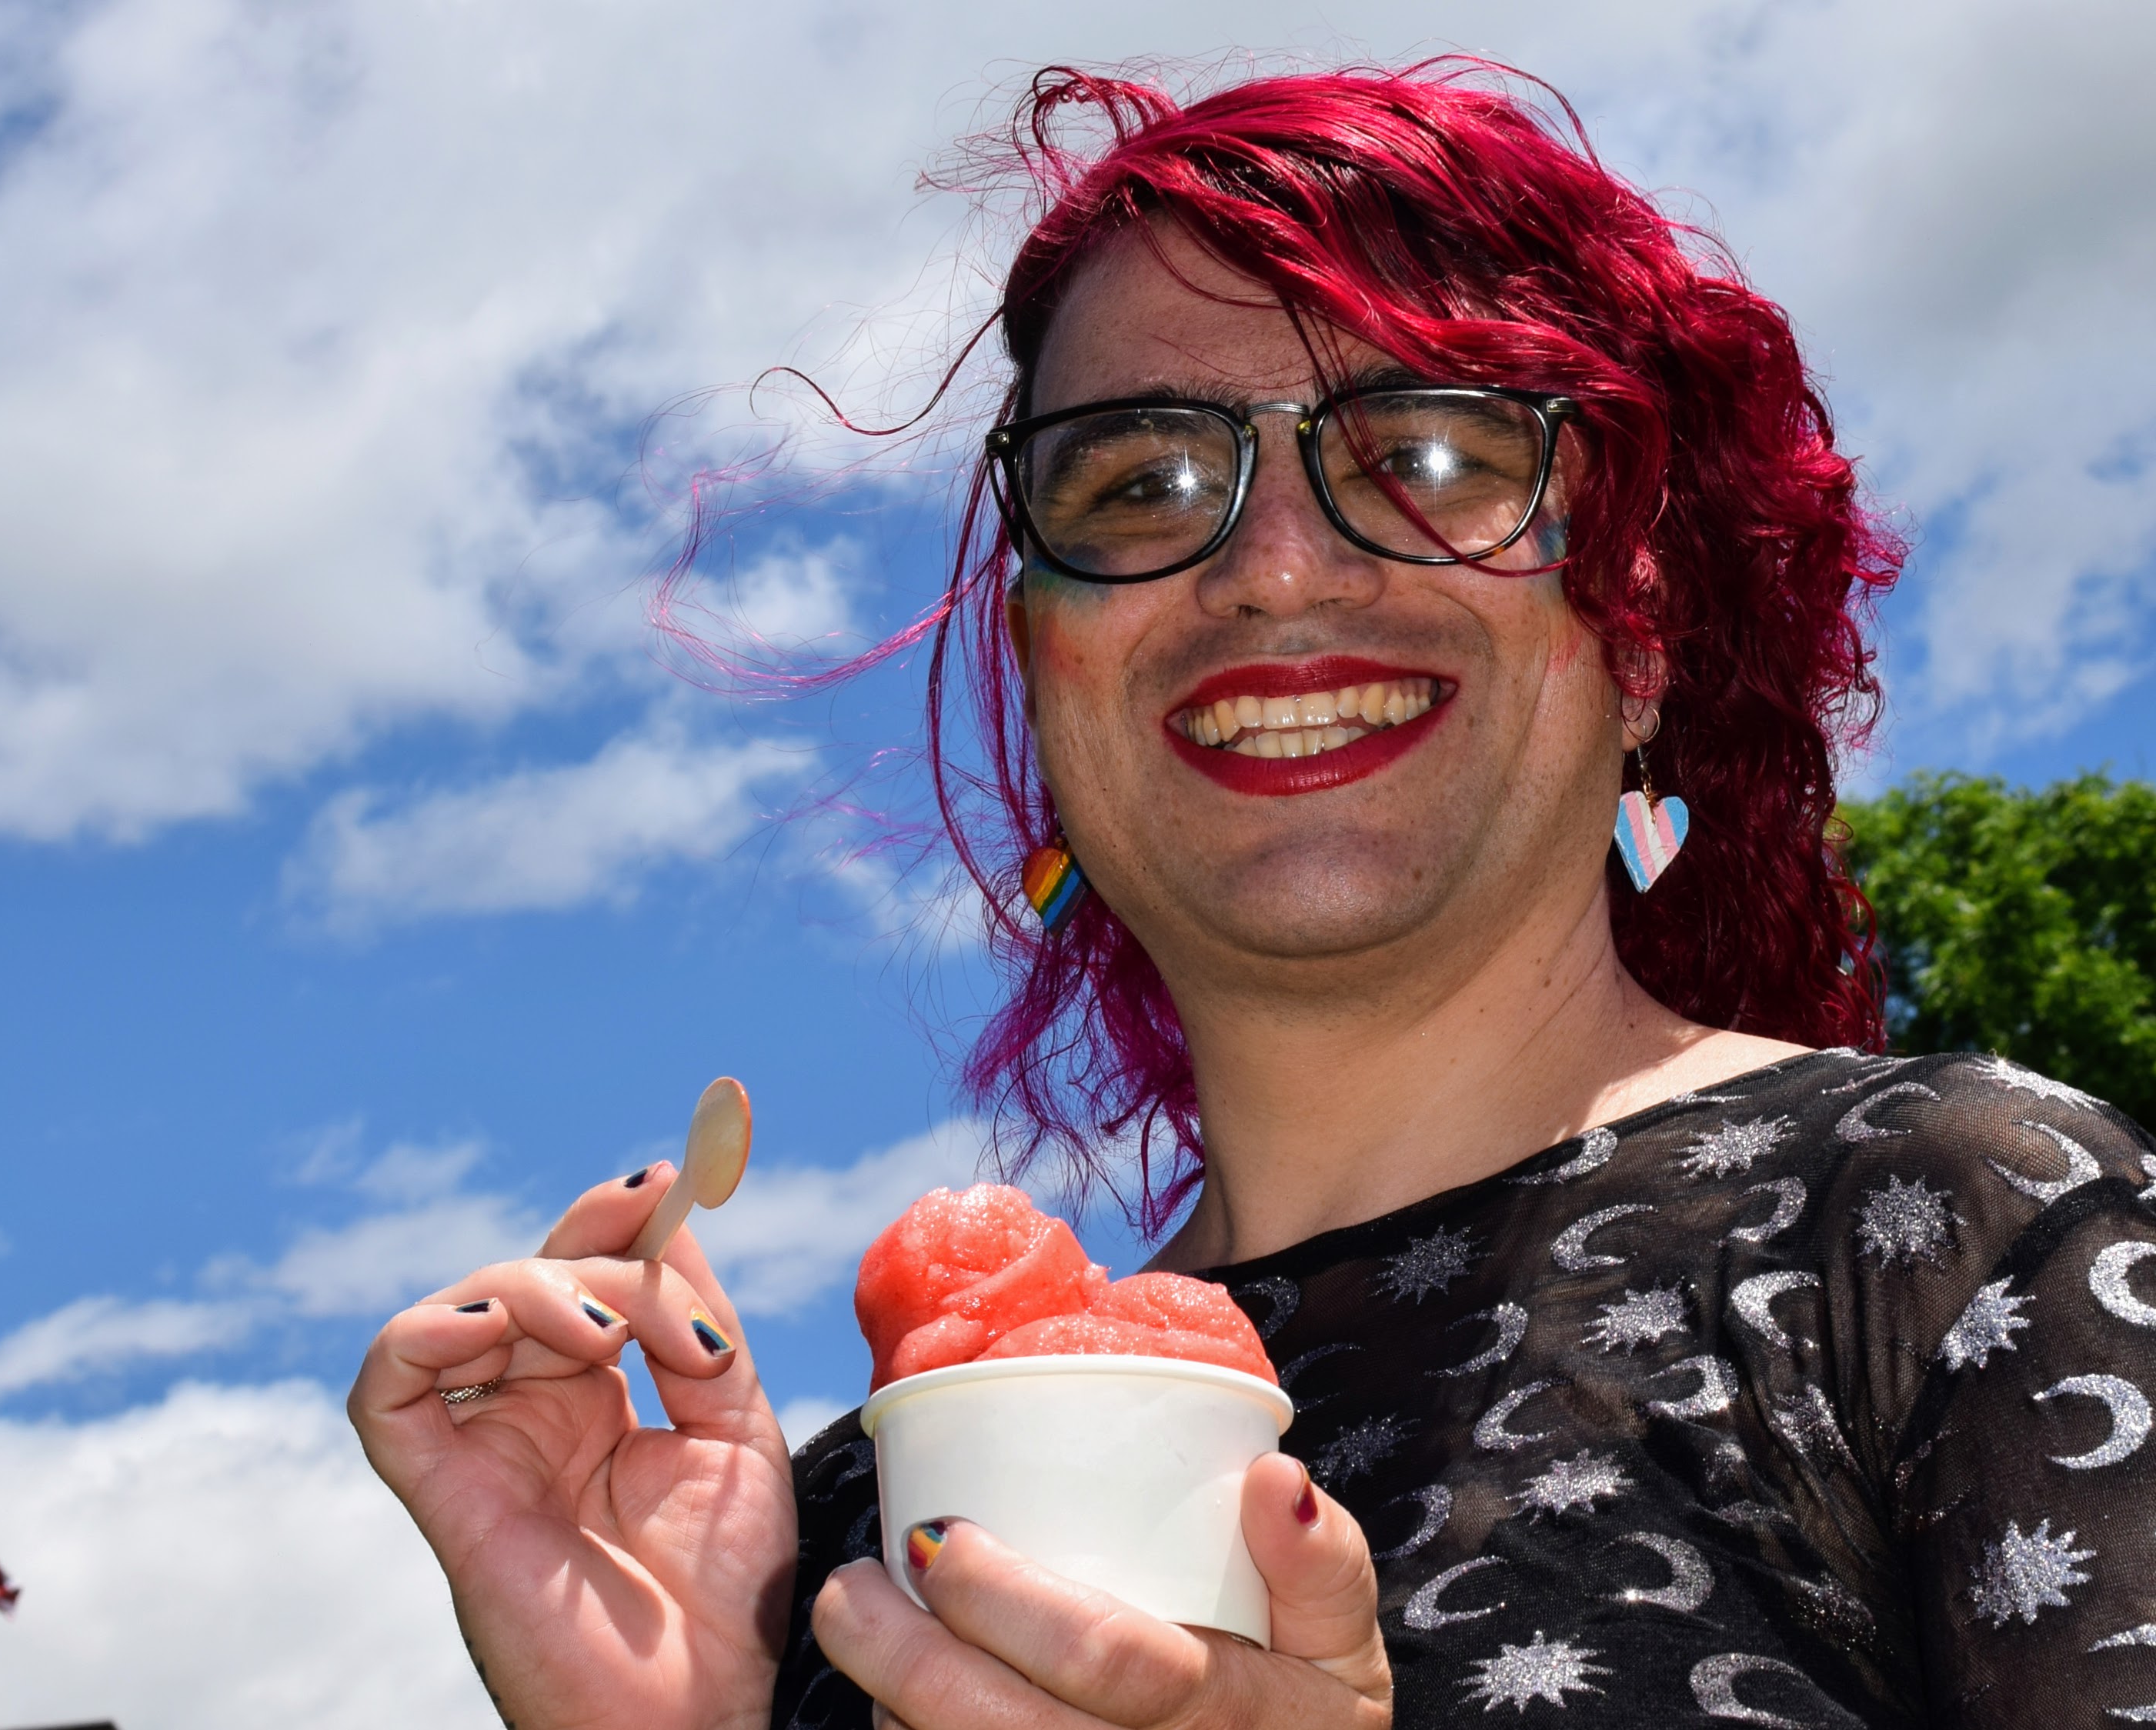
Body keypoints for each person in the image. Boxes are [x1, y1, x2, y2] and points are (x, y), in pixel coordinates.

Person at [349, 63, 2156, 1728]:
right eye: (1139, 482)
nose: (1276, 571)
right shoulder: (854, 1516)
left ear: (1647, 630)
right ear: (1051, 679)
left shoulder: (1955, 1230)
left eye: (1433, 455)